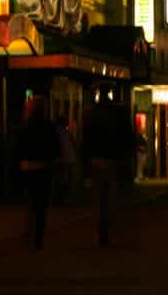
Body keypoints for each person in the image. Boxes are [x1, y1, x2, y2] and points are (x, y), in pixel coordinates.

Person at [82, 85, 132, 246]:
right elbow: (126, 136)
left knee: (98, 196)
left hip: (96, 159)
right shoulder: (119, 112)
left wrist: (86, 162)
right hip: (113, 159)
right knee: (110, 195)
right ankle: (107, 228)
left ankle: (100, 228)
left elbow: (86, 138)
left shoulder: (91, 112)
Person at [16, 95, 60, 251]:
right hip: (43, 168)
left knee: (30, 202)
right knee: (41, 204)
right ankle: (38, 237)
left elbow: (17, 147)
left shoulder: (24, 126)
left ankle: (29, 232)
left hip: (27, 168)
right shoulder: (48, 126)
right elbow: (55, 149)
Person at [54, 116, 77, 204]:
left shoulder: (57, 131)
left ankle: (61, 196)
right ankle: (64, 196)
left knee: (61, 178)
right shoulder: (65, 132)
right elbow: (73, 143)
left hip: (62, 159)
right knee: (66, 179)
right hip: (68, 158)